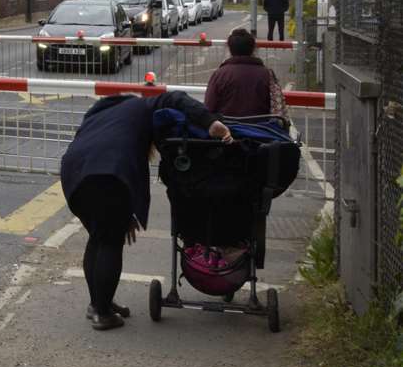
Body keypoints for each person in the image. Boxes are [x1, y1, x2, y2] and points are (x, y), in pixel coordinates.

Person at [60, 90, 231, 329]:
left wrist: (127, 211)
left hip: (73, 172)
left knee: (98, 237)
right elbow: (177, 98)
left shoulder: (101, 111)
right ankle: (102, 313)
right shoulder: (147, 104)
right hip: (108, 172)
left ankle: (99, 303)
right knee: (110, 241)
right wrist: (210, 122)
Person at [205, 28, 288, 119]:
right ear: (253, 49)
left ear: (230, 49)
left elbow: (209, 107)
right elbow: (277, 107)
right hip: (261, 129)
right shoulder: (267, 74)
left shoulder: (219, 74)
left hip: (227, 129)